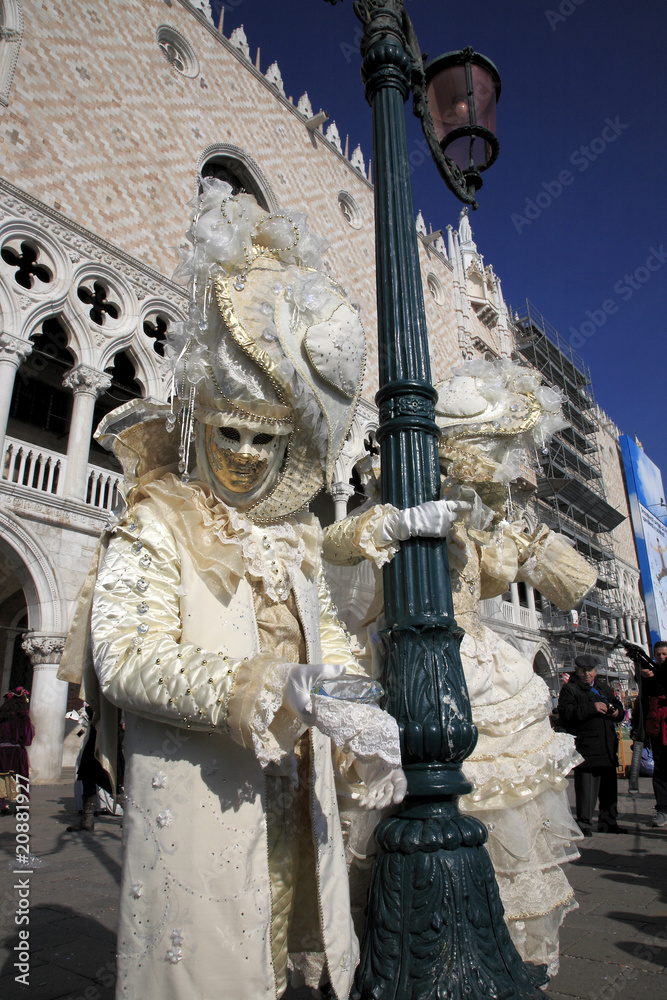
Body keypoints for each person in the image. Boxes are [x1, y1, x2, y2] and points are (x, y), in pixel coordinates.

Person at [59, 183, 405, 1000]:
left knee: (286, 964)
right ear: (199, 422)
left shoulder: (291, 541)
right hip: (208, 803)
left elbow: (333, 644)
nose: (246, 454)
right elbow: (126, 657)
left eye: (265, 437)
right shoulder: (158, 522)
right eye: (231, 432)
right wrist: (262, 685)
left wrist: (358, 715)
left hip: (294, 807)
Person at [323, 359, 597, 976]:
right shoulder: (392, 491)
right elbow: (338, 549)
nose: (503, 466)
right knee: (397, 815)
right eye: (494, 452)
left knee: (503, 815)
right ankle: (410, 956)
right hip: (409, 665)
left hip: (484, 671)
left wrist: (512, 526)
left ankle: (498, 953)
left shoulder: (490, 517)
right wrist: (394, 520)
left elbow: (575, 584)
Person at [558, 653, 625, 836]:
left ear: (596, 672)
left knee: (609, 788)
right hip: (587, 746)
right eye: (583, 671)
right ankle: (585, 824)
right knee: (587, 789)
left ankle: (608, 822)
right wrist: (592, 708)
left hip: (607, 745)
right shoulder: (570, 690)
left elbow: (619, 709)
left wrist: (616, 713)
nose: (586, 674)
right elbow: (566, 713)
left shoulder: (603, 688)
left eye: (590, 671)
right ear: (577, 671)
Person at [640, 639, 667, 827]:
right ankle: (663, 810)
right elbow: (644, 698)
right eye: (658, 655)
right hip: (658, 730)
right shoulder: (651, 674)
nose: (661, 658)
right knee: (660, 771)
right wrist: (642, 677)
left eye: (665, 654)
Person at [0, 687, 34, 815]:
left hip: (1, 751)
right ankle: (19, 806)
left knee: (2, 776)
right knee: (19, 776)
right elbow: (27, 739)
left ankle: (2, 805)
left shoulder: (1, 715)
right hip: (16, 751)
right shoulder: (23, 718)